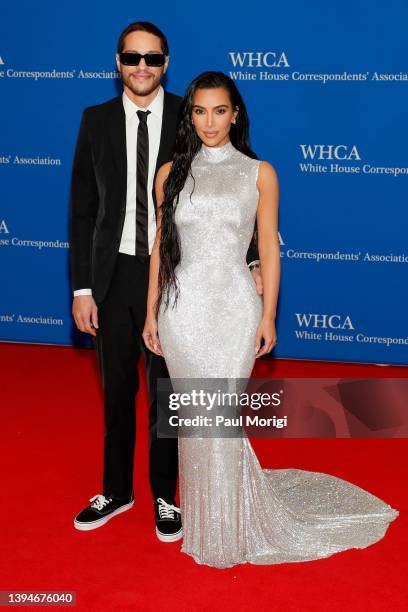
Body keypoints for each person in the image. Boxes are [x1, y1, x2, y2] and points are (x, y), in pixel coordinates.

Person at [143, 71, 399, 568]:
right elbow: (160, 249)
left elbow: (268, 249)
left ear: (236, 113)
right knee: (198, 417)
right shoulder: (169, 173)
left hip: (235, 307)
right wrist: (153, 309)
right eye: (199, 111)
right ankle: (210, 519)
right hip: (181, 309)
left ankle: (229, 525)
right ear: (188, 115)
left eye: (220, 111)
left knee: (222, 417)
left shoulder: (260, 173)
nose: (209, 122)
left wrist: (268, 314)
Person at [69, 23, 261, 540]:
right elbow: (84, 210)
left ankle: (164, 496)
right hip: (113, 276)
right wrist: (82, 288)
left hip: (176, 281)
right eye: (133, 57)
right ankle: (116, 489)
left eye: (152, 58)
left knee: (167, 396)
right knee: (116, 391)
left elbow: (230, 193)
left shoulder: (190, 112)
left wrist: (253, 258)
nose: (142, 66)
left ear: (166, 63)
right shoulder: (95, 121)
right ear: (117, 62)